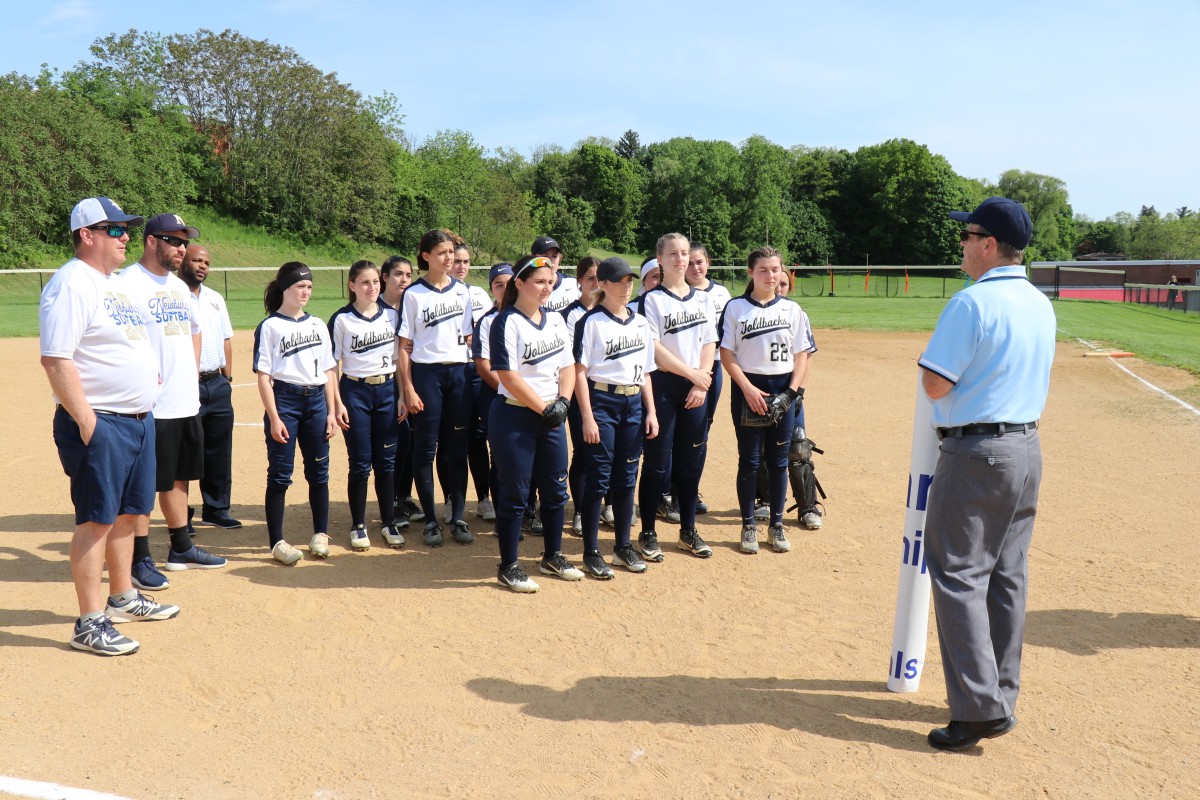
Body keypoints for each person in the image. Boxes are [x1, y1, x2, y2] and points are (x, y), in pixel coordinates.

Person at [918, 196, 1055, 751]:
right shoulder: (1040, 302)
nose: (962, 245)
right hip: (1025, 448)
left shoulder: (973, 303)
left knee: (957, 572)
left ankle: (977, 710)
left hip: (976, 453)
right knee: (1006, 575)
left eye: (967, 236)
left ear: (989, 245)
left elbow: (935, 385)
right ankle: (999, 695)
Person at [40, 197, 179, 656]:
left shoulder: (113, 283)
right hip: (103, 422)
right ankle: (89, 621)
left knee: (130, 513)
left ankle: (122, 597)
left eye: (125, 229)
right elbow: (57, 359)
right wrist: (88, 423)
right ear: (87, 235)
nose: (125, 237)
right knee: (96, 518)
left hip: (139, 419)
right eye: (114, 229)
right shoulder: (73, 283)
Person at [117, 214, 227, 586]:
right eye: (173, 241)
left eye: (184, 242)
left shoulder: (179, 289)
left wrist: (190, 372)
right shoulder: (128, 284)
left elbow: (195, 331)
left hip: (184, 400)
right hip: (152, 405)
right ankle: (139, 556)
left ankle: (181, 545)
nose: (181, 248)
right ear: (151, 242)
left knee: (180, 477)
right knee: (146, 483)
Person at [489, 255, 580, 592]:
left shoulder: (555, 320)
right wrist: (544, 407)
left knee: (556, 490)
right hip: (515, 416)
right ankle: (508, 565)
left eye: (550, 281)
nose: (546, 287)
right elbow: (508, 376)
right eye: (539, 281)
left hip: (551, 414)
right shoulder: (506, 321)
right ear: (520, 284)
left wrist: (564, 401)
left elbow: (567, 366)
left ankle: (552, 555)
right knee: (516, 493)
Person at [719, 246, 812, 554]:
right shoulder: (735, 308)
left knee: (778, 461)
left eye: (775, 269)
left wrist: (790, 393)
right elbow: (727, 354)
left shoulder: (792, 309)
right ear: (751, 273)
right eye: (763, 270)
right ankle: (748, 525)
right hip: (749, 386)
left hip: (783, 386)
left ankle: (775, 525)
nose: (770, 276)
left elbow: (801, 355)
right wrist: (746, 388)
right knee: (749, 460)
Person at [573, 257, 659, 578]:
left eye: (630, 282)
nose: (626, 287)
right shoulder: (591, 322)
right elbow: (579, 373)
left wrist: (650, 411)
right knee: (599, 477)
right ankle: (591, 552)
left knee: (626, 478)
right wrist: (587, 417)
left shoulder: (639, 322)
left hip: (633, 402)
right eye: (619, 282)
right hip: (602, 402)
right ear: (603, 285)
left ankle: (623, 547)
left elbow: (647, 372)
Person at [636, 233, 717, 561]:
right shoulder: (652, 300)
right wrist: (692, 375)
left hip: (696, 388)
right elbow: (653, 348)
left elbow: (709, 342)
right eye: (673, 254)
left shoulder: (703, 299)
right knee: (657, 463)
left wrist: (702, 382)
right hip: (664, 387)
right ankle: (648, 533)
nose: (681, 259)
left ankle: (688, 530)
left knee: (690, 461)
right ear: (660, 259)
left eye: (684, 253)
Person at [253, 262, 338, 564]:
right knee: (280, 475)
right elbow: (264, 376)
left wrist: (331, 410)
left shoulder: (317, 324)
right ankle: (277, 542)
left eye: (309, 286)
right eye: (300, 286)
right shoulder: (270, 326)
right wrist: (274, 417)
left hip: (316, 402)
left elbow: (328, 369)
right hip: (285, 401)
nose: (306, 291)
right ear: (285, 289)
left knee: (319, 471)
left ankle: (320, 533)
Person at [397, 229, 476, 548]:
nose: (449, 258)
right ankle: (431, 520)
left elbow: (468, 338)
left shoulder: (463, 292)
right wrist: (409, 389)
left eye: (451, 253)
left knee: (457, 449)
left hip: (459, 374)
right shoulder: (414, 294)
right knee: (425, 449)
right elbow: (404, 346)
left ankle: (456, 516)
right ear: (426, 256)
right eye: (442, 253)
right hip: (427, 375)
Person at [328, 260, 405, 550]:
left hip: (386, 390)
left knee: (386, 463)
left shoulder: (392, 316)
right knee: (360, 464)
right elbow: (331, 366)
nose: (371, 287)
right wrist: (337, 404)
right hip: (355, 392)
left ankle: (388, 522)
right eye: (364, 282)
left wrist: (400, 396)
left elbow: (398, 360)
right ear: (352, 286)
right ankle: (358, 525)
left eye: (375, 282)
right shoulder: (342, 319)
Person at [179, 243, 241, 532]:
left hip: (216, 383)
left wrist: (227, 378)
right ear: (182, 262)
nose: (202, 266)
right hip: (184, 383)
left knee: (219, 449)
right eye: (196, 260)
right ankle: (182, 513)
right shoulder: (172, 296)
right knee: (184, 450)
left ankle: (216, 508)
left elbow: (226, 339)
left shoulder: (216, 299)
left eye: (206, 262)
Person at [438, 242, 495, 523]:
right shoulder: (437, 293)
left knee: (477, 436)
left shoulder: (478, 293)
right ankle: (450, 499)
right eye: (456, 260)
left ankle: (483, 498)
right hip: (449, 372)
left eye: (466, 261)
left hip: (475, 372)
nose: (461, 265)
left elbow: (485, 332)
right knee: (449, 440)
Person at [685, 243, 732, 516]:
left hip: (712, 365)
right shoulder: (676, 293)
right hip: (681, 367)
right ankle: (670, 490)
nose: (695, 267)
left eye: (699, 262)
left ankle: (691, 487)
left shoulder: (722, 293)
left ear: (708, 263)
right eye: (690, 263)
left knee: (702, 429)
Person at [560, 256, 601, 535]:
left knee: (610, 452)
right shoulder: (571, 314)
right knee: (584, 453)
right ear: (579, 282)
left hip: (609, 391)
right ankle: (580, 510)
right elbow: (571, 361)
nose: (596, 283)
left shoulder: (614, 311)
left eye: (600, 278)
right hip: (579, 391)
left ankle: (606, 504)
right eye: (590, 278)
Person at [380, 256, 419, 528]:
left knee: (412, 442)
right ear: (385, 277)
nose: (403, 279)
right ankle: (390, 500)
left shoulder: (411, 304)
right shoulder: (375, 308)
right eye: (397, 274)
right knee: (396, 441)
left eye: (407, 274)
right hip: (389, 383)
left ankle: (403, 496)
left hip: (414, 380)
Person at [473, 263, 513, 519]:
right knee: (499, 454)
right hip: (497, 394)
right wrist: (507, 389)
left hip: (527, 396)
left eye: (509, 283)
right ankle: (502, 511)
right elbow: (483, 365)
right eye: (498, 284)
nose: (504, 288)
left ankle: (528, 508)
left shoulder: (529, 316)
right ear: (491, 290)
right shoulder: (487, 321)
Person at [533, 235, 582, 314]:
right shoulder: (527, 287)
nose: (551, 260)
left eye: (554, 256)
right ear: (533, 258)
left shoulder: (574, 283)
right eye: (545, 256)